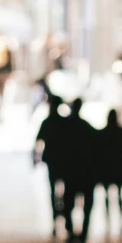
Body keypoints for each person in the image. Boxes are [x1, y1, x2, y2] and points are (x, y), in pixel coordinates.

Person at [57, 99, 103, 243]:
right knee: (87, 208)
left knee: (68, 205)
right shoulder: (87, 128)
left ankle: (71, 233)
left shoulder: (65, 129)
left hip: (71, 174)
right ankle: (82, 237)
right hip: (86, 174)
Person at [94, 107, 122, 229]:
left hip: (106, 166)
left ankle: (107, 218)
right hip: (118, 165)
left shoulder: (103, 132)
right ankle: (121, 218)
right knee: (120, 194)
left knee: (107, 194)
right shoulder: (120, 131)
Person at [34, 98, 70, 234]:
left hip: (52, 160)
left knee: (53, 189)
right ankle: (63, 214)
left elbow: (39, 140)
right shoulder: (63, 122)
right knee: (64, 188)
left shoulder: (47, 122)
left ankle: (56, 216)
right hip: (63, 160)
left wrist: (36, 157)